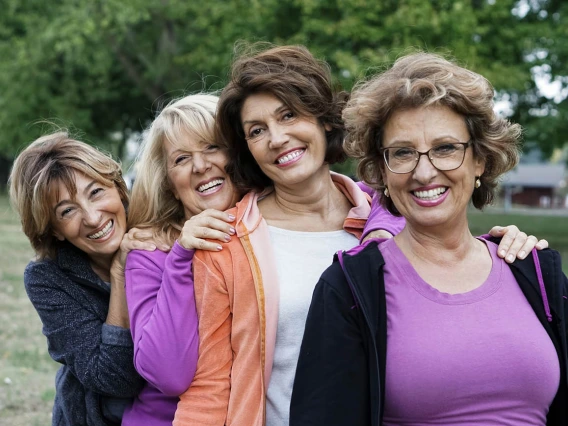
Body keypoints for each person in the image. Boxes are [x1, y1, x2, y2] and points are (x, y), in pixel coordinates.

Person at [173, 45, 545, 426]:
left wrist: (514, 253)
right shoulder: (226, 243)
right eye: (257, 130)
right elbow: (211, 385)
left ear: (325, 120)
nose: (277, 138)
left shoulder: (390, 218)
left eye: (289, 115)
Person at [290, 52, 567, 426]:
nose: (424, 171)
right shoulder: (351, 288)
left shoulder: (534, 270)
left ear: (480, 160)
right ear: (382, 171)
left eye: (445, 148)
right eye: (402, 153)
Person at [8, 132, 157, 426]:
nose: (92, 217)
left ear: (118, 187)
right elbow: (115, 379)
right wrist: (120, 274)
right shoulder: (46, 278)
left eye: (96, 192)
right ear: (54, 230)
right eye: (67, 211)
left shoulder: (156, 225)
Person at [121, 94, 241, 425]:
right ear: (171, 185)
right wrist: (181, 257)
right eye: (181, 159)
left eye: (212, 147)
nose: (200, 166)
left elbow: (363, 200)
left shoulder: (271, 222)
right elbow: (169, 374)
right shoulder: (149, 254)